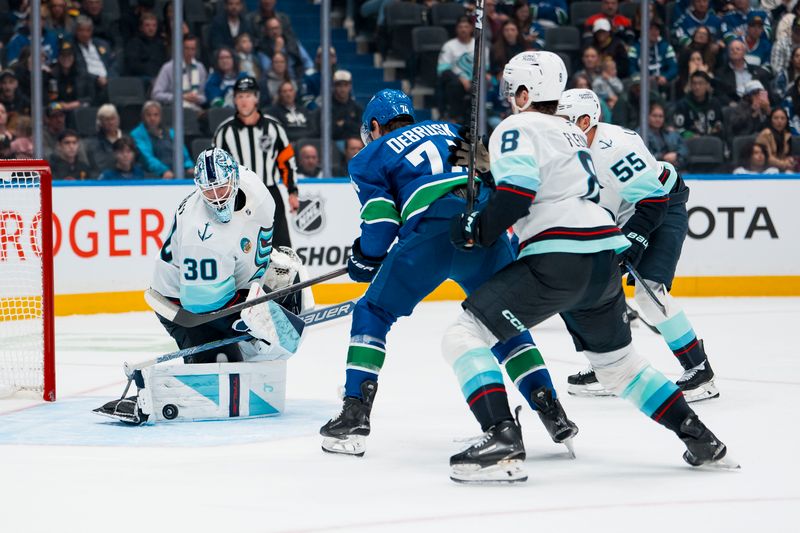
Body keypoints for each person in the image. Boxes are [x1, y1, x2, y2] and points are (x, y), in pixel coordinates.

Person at [443, 52, 731, 481]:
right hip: (601, 257)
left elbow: (519, 194)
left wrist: (476, 229)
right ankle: (700, 436)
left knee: (463, 334)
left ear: (524, 94)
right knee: (619, 367)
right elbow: (547, 184)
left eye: (510, 91)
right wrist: (490, 178)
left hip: (558, 256)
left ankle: (502, 436)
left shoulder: (515, 126)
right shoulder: (572, 132)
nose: (507, 100)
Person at [319, 88, 575, 474]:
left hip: (432, 233)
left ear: (374, 125)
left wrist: (365, 258)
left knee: (372, 312)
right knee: (503, 321)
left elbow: (381, 222)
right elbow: (499, 181)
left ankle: (355, 411)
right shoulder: (458, 131)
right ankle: (551, 410)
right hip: (483, 229)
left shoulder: (370, 155)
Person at [94, 147, 310, 425]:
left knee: (283, 283)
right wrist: (254, 317)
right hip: (181, 306)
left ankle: (240, 347)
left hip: (224, 282)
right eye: (209, 192)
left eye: (222, 188)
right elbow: (203, 307)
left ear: (235, 177)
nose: (218, 198)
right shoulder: (202, 236)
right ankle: (178, 381)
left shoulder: (254, 186)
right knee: (223, 362)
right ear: (199, 189)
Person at [557, 88, 719, 402]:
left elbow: (653, 201)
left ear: (586, 120)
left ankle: (699, 371)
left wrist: (635, 239)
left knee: (649, 292)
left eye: (565, 120)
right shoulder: (565, 149)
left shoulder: (614, 148)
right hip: (621, 214)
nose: (558, 127)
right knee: (586, 290)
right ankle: (611, 367)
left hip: (662, 206)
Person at [213, 76, 299, 248]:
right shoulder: (224, 132)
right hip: (238, 195)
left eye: (248, 95)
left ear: (256, 98)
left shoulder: (274, 127)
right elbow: (216, 169)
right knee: (239, 246)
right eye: (240, 96)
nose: (244, 101)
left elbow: (286, 161)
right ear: (234, 100)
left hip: (270, 192)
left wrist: (292, 191)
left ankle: (290, 276)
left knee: (281, 247)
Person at [130, 100, 194, 178]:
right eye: (148, 115)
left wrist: (188, 166)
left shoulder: (171, 132)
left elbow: (182, 152)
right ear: (143, 116)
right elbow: (146, 158)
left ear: (160, 116)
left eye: (156, 115)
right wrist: (163, 171)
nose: (152, 118)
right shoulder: (137, 134)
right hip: (152, 174)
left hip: (176, 171)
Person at [151, 34, 208, 111]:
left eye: (192, 49)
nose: (190, 52)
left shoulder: (200, 68)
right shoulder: (168, 68)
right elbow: (156, 94)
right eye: (187, 49)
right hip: (174, 110)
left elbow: (204, 96)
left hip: (195, 110)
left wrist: (196, 98)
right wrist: (180, 97)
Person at [437, 16, 475, 123]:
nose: (463, 29)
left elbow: (485, 68)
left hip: (475, 79)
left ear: (471, 28)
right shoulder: (449, 45)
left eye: (466, 27)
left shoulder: (479, 45)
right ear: (456, 29)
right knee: (454, 85)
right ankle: (454, 118)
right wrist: (461, 78)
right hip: (456, 80)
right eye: (460, 27)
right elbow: (442, 69)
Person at [73, 15, 117, 105]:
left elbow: (113, 63)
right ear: (76, 31)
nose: (85, 34)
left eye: (88, 30)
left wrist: (109, 78)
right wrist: (96, 78)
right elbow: (78, 69)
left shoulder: (102, 44)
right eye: (81, 30)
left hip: (107, 80)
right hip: (89, 82)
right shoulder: (72, 47)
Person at [714, 39, 770, 105]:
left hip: (756, 104)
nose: (734, 51)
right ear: (728, 53)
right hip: (733, 107)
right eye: (731, 50)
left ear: (744, 52)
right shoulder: (721, 73)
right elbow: (720, 94)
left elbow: (765, 91)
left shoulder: (757, 71)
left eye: (737, 49)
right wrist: (730, 103)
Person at [672, 71, 724, 139]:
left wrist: (716, 129)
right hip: (691, 143)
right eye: (694, 83)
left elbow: (720, 124)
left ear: (707, 85)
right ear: (690, 85)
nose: (697, 87)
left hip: (711, 141)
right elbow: (678, 129)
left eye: (701, 83)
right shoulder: (683, 105)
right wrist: (691, 135)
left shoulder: (714, 103)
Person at [47, 41, 96, 113]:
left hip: (80, 111)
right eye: (63, 56)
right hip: (59, 111)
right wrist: (61, 106)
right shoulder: (53, 76)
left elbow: (91, 98)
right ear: (59, 58)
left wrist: (75, 104)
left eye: (69, 55)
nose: (66, 59)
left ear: (74, 57)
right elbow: (49, 102)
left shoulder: (83, 75)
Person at [641, 103, 688, 171]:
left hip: (674, 170)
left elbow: (685, 150)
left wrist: (677, 155)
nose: (658, 119)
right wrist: (663, 157)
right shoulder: (641, 134)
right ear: (647, 117)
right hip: (653, 172)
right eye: (654, 116)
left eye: (661, 116)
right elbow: (645, 155)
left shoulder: (670, 133)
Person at [123, 12, 166, 79]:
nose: (151, 29)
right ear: (141, 27)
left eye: (154, 25)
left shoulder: (160, 43)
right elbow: (132, 66)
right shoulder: (134, 43)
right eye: (147, 25)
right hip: (140, 79)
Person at [756, 108, 796, 172]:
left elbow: (788, 154)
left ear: (786, 121)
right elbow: (767, 158)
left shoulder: (787, 135)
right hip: (766, 168)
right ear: (771, 120)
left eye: (783, 118)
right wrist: (784, 164)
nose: (779, 121)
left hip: (782, 168)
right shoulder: (765, 134)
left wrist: (789, 160)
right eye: (776, 118)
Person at [326, 70, 363, 141]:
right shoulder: (327, 108)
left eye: (345, 85)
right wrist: (351, 124)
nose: (342, 89)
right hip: (333, 143)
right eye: (339, 85)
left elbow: (361, 130)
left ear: (350, 87)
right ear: (334, 87)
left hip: (354, 142)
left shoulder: (357, 108)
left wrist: (344, 123)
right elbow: (330, 132)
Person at [86, 104, 122, 173]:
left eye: (113, 118)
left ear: (118, 119)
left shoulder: (127, 139)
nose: (111, 122)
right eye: (107, 120)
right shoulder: (94, 143)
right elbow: (100, 166)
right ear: (100, 123)